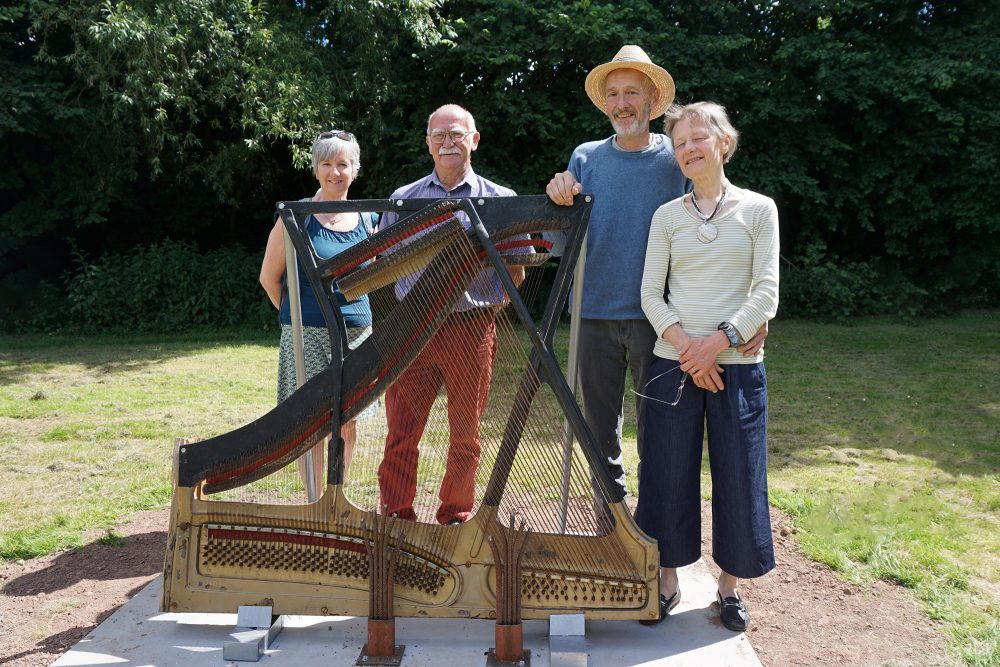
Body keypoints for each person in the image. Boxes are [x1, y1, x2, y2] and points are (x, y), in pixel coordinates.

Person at [546, 46, 767, 500]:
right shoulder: (584, 158)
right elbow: (561, 242)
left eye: (632, 92)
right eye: (613, 93)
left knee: (659, 429)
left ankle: (653, 523)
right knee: (598, 429)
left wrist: (752, 314)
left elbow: (720, 229)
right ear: (604, 102)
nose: (622, 102)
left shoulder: (679, 156)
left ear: (652, 101)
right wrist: (557, 196)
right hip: (592, 314)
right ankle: (612, 520)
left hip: (664, 323)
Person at [635, 102, 779, 630]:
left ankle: (729, 589)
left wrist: (715, 343)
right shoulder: (667, 216)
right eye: (679, 143)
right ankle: (668, 581)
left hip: (738, 363)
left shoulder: (760, 209)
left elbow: (766, 292)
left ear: (724, 142)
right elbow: (651, 293)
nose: (689, 149)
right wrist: (688, 349)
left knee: (739, 474)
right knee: (666, 472)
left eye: (699, 137)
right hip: (673, 364)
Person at [377, 104, 526, 525]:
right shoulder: (403, 200)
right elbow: (383, 264)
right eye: (439, 135)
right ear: (427, 143)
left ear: (474, 140)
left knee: (465, 435)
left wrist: (490, 309)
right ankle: (396, 514)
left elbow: (516, 270)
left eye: (457, 134)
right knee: (401, 431)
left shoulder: (500, 200)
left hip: (471, 327)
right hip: (414, 327)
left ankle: (455, 514)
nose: (448, 142)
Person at [259, 129, 374, 492]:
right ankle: (313, 499)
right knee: (310, 419)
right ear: (315, 169)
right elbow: (269, 278)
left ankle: (335, 495)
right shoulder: (296, 218)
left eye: (342, 163)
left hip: (357, 332)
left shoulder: (370, 219)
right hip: (306, 334)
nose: (334, 171)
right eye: (326, 163)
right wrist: (299, 318)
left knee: (349, 417)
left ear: (354, 170)